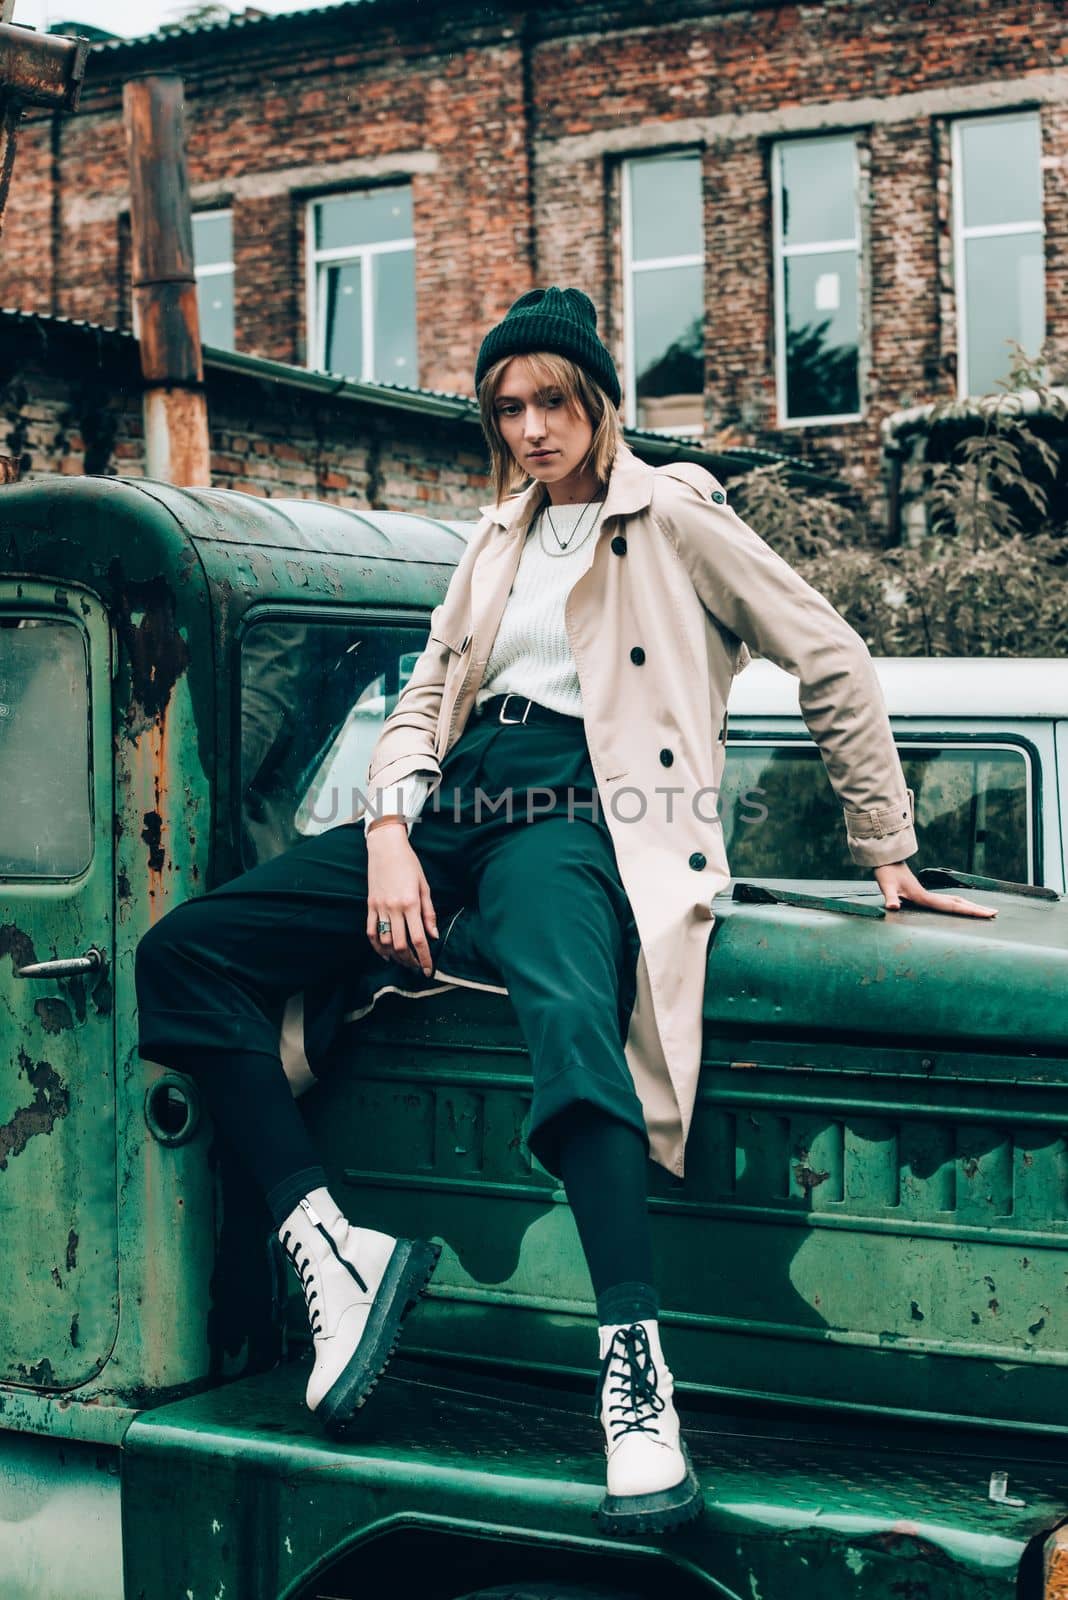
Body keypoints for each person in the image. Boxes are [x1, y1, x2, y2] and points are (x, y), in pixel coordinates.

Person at [135, 286, 996, 1538]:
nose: (531, 428)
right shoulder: (493, 539)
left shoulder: (676, 515)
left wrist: (888, 845)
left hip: (583, 813)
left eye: (552, 401)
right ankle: (331, 1250)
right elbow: (425, 699)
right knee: (188, 954)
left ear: (598, 402)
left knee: (570, 1018)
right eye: (507, 407)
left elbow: (832, 655)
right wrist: (387, 832)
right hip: (452, 813)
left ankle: (635, 1382)